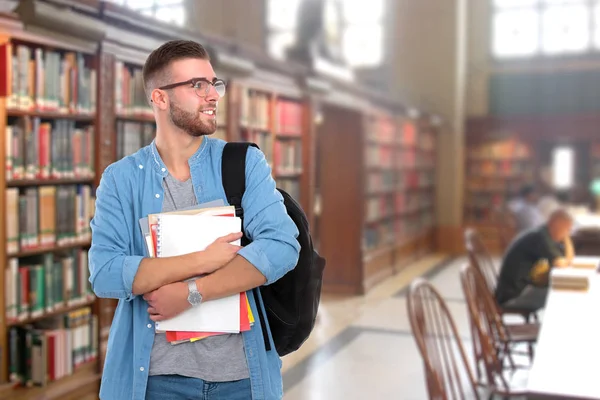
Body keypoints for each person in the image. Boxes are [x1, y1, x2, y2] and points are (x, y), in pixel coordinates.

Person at [88, 40, 300, 400]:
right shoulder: (120, 179)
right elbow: (105, 273)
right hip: (156, 381)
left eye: (213, 83)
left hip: (242, 379)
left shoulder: (244, 164)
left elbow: (281, 247)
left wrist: (192, 293)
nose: (212, 95)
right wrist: (201, 260)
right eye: (196, 85)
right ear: (160, 98)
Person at [495, 209, 574, 313]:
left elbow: (568, 259)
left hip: (517, 290)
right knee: (561, 295)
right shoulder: (540, 237)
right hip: (514, 295)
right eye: (566, 229)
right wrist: (566, 238)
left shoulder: (543, 234)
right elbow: (561, 263)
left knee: (560, 292)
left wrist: (565, 236)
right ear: (555, 224)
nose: (567, 233)